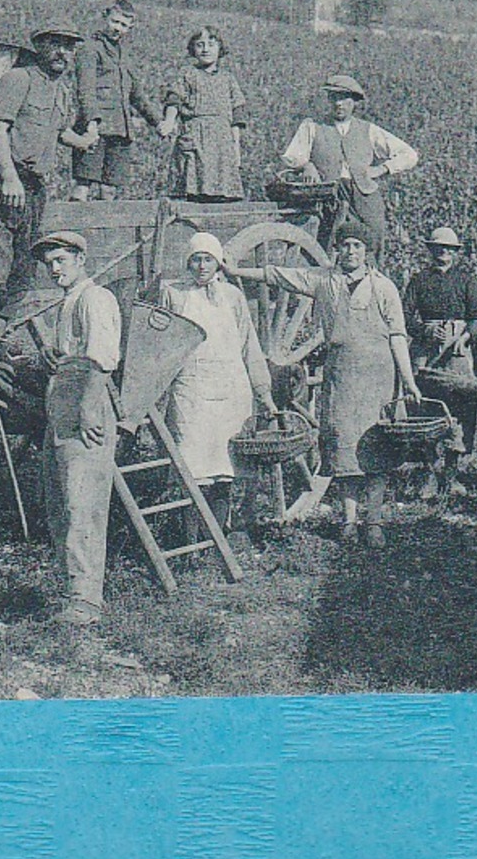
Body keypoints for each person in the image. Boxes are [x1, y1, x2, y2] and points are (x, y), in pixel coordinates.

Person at [225, 220, 421, 549]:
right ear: (338, 249)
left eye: (357, 246)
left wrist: (409, 380)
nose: (350, 251)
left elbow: (398, 337)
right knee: (345, 452)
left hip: (379, 377)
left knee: (377, 451)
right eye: (345, 245)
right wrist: (236, 271)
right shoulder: (324, 280)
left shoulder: (384, 287)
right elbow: (278, 275)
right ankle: (347, 522)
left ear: (367, 252)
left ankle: (372, 522)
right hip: (342, 376)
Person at [0, 29, 83, 339]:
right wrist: (8, 177)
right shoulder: (18, 79)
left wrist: (83, 142)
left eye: (69, 47)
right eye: (55, 44)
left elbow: (58, 131)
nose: (62, 52)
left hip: (33, 188)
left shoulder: (60, 90)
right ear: (39, 46)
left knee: (23, 273)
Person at [158, 232, 277, 535]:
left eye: (207, 259)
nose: (201, 266)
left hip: (230, 388)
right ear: (188, 262)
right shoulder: (174, 294)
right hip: (192, 390)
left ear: (218, 263)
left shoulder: (232, 297)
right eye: (196, 259)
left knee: (224, 467)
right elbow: (159, 344)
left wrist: (263, 391)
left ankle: (217, 538)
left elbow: (249, 345)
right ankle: (191, 543)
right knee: (192, 465)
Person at [33, 230, 123, 625]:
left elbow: (102, 359)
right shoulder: (68, 302)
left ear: (80, 259)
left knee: (82, 502)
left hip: (87, 398)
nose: (54, 270)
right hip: (64, 398)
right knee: (61, 501)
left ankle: (87, 601)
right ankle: (73, 590)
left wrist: (89, 410)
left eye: (61, 261)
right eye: (49, 263)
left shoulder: (96, 298)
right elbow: (73, 354)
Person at [278, 74, 417, 255]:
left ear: (354, 102)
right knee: (328, 244)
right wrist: (306, 165)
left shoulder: (368, 130)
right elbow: (292, 156)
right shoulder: (312, 126)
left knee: (373, 238)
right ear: (328, 100)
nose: (339, 104)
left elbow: (409, 154)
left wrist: (381, 169)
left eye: (344, 98)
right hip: (328, 195)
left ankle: (372, 278)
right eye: (334, 98)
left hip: (363, 194)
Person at [403, 225, 477, 497]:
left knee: (457, 407)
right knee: (425, 407)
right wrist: (425, 330)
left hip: (457, 347)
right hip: (427, 346)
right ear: (430, 250)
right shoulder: (419, 280)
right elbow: (405, 315)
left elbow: (476, 316)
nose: (443, 253)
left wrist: (467, 336)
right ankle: (427, 474)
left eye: (448, 248)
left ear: (455, 252)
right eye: (438, 247)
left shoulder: (466, 280)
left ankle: (451, 474)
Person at [71, 0, 168, 201]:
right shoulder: (89, 48)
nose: (118, 28)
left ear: (130, 27)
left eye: (124, 25)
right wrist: (90, 124)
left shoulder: (125, 54)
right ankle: (73, 230)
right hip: (95, 129)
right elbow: (85, 90)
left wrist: (158, 122)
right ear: (105, 17)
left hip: (120, 130)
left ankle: (103, 232)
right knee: (84, 184)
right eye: (115, 22)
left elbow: (137, 95)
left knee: (110, 190)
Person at [162, 27, 248, 202]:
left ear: (220, 48)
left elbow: (237, 115)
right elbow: (174, 99)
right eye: (200, 45)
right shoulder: (188, 74)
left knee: (222, 193)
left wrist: (236, 147)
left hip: (222, 144)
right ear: (193, 49)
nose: (205, 49)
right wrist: (169, 121)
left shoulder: (228, 79)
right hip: (195, 137)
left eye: (211, 44)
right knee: (192, 190)